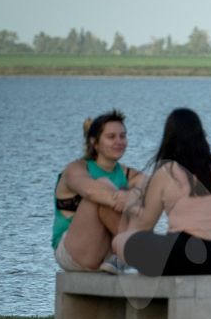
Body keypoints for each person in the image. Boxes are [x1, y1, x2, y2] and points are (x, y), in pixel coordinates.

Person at [113, 108, 211, 276]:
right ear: (201, 134)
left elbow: (145, 225)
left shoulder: (168, 171)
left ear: (168, 139)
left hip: (191, 256)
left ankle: (128, 267)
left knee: (120, 242)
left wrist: (130, 204)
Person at [52, 110, 144, 272]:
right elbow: (89, 190)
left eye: (123, 136)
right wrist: (129, 203)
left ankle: (126, 255)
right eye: (111, 137)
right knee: (101, 189)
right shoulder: (76, 169)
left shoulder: (127, 173)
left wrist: (133, 195)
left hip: (106, 250)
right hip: (73, 252)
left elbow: (155, 187)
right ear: (95, 143)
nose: (119, 141)